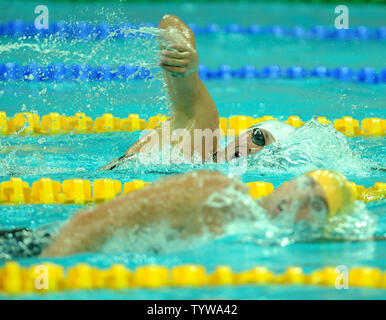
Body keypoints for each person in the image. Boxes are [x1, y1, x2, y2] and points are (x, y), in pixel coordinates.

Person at [0, 169, 357, 258]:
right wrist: (46, 271)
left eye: (318, 206)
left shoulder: (252, 231)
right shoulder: (222, 194)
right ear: (288, 182)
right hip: (38, 248)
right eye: (306, 185)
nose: (301, 202)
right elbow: (98, 221)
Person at [100, 15, 295, 170]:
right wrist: (184, 53)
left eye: (268, 154)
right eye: (259, 137)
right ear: (245, 132)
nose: (255, 149)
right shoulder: (202, 137)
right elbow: (169, 22)